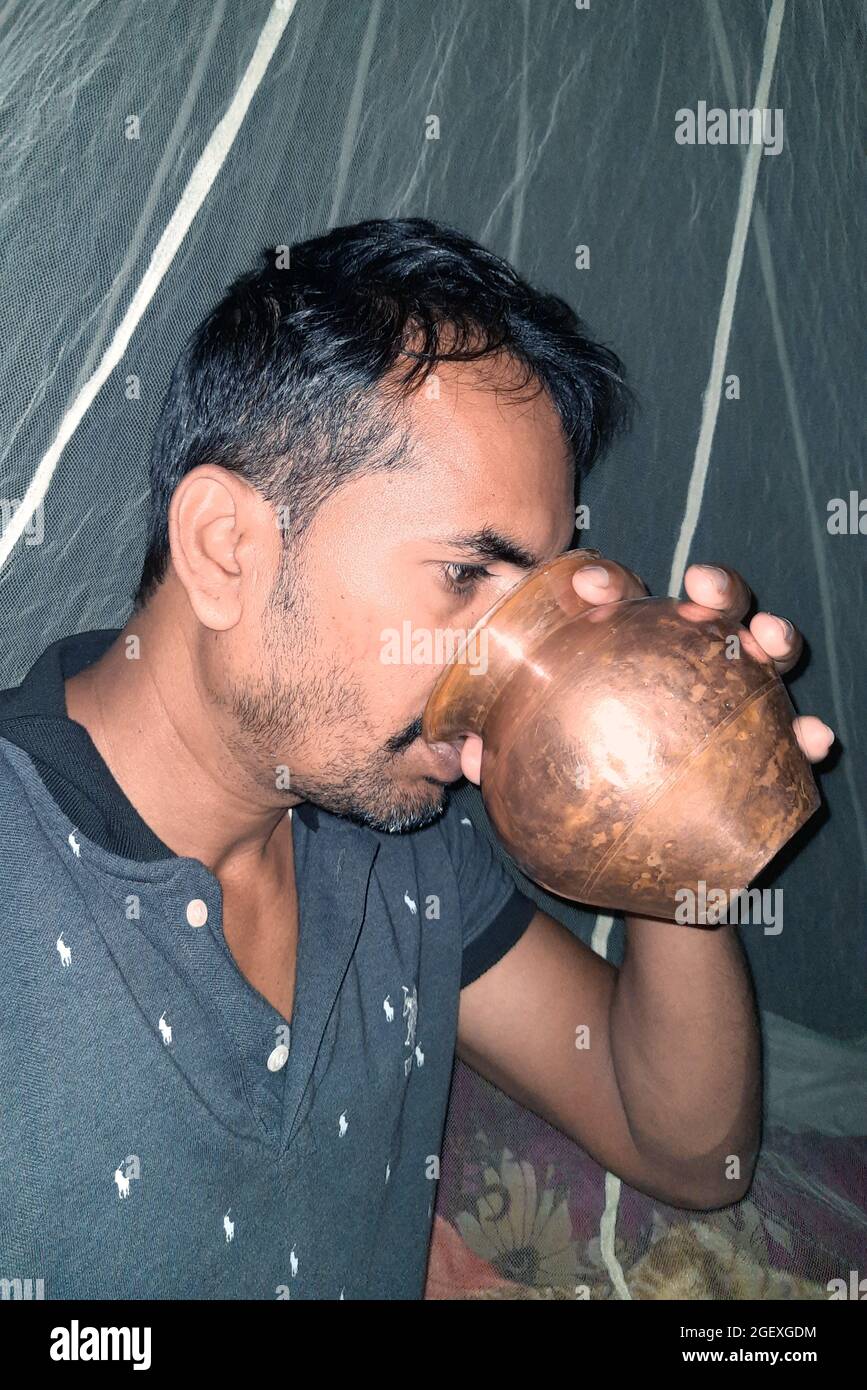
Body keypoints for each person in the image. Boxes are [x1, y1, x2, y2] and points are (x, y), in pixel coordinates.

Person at [0, 218, 833, 1300]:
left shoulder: (399, 847)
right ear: (225, 548)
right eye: (461, 578)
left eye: (532, 594)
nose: (499, 673)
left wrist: (674, 833)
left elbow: (693, 1155)